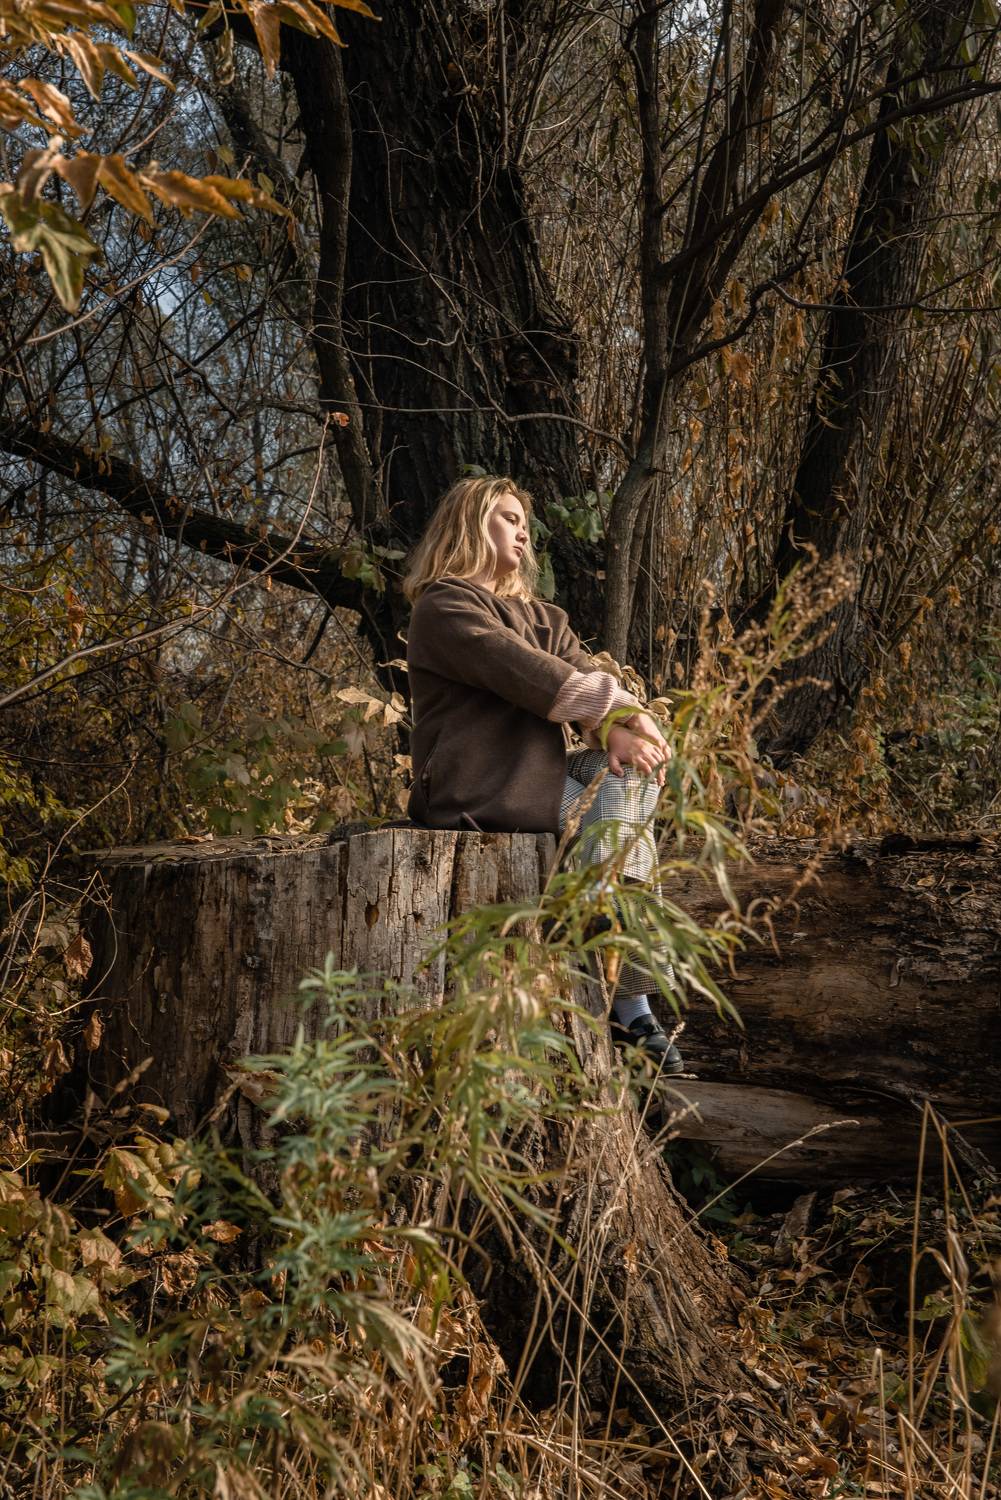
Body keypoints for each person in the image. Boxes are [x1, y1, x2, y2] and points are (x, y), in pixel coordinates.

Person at [402, 474, 684, 1072]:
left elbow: (583, 671)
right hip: (480, 786)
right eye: (508, 517)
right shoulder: (444, 606)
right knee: (621, 782)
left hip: (538, 780)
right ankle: (618, 968)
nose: (523, 531)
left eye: (525, 522)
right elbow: (526, 672)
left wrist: (623, 726)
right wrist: (618, 711)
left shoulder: (542, 615)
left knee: (631, 770)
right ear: (470, 523)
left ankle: (624, 982)